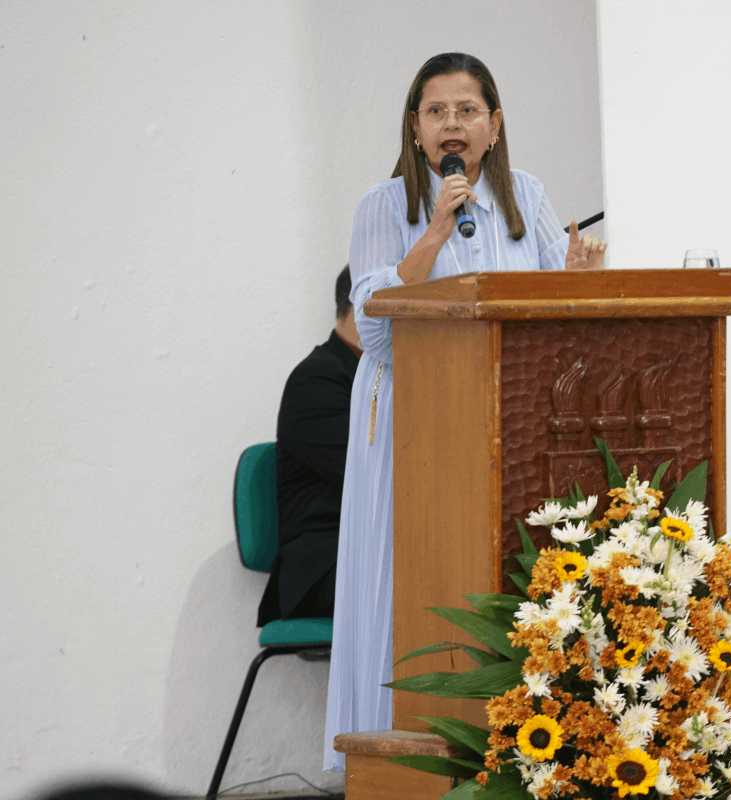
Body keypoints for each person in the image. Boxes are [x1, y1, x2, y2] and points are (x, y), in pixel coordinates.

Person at [323, 52, 606, 771]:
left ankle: (517, 748)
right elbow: (375, 327)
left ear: (495, 125)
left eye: (467, 110)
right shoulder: (381, 207)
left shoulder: (528, 198)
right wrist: (434, 235)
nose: (453, 123)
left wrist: (573, 282)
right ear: (415, 129)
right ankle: (405, 752)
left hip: (510, 423)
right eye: (437, 111)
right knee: (412, 577)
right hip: (412, 423)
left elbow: (552, 326)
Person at [257, 266, 361, 625]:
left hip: (370, 551)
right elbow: (377, 470)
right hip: (325, 561)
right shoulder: (316, 379)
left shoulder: (389, 375)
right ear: (367, 305)